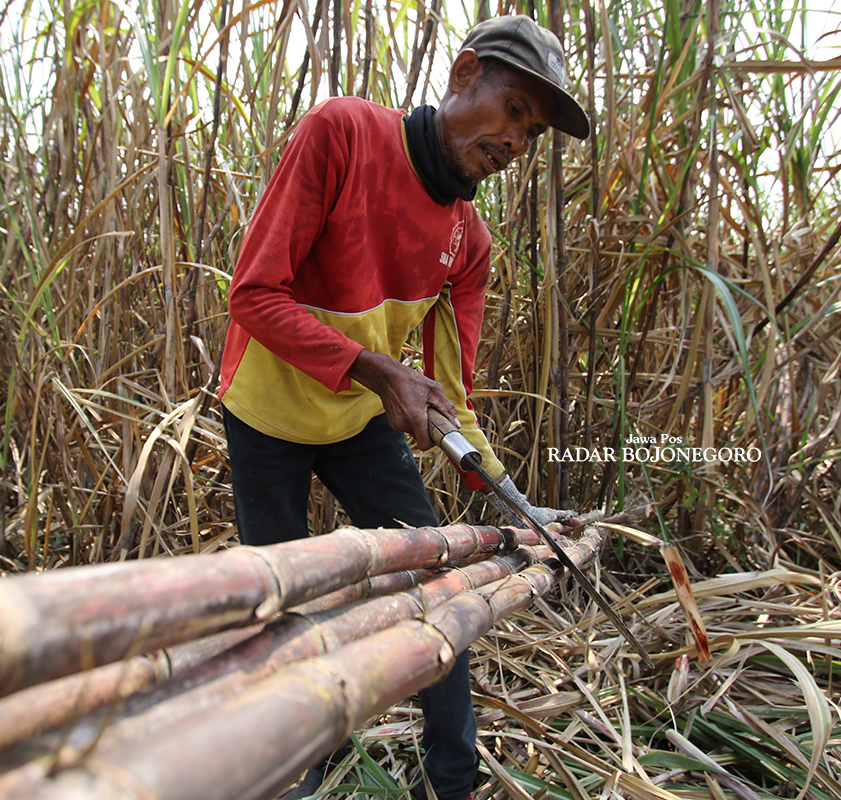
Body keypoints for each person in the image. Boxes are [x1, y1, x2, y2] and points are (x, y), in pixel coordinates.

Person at [218, 14, 589, 800]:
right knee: (283, 611)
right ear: (463, 75)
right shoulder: (342, 134)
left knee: (435, 588)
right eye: (516, 109)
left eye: (534, 133)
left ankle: (452, 783)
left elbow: (452, 403)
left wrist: (518, 507)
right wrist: (376, 370)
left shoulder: (468, 241)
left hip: (357, 423)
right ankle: (301, 775)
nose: (518, 142)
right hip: (267, 416)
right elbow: (253, 295)